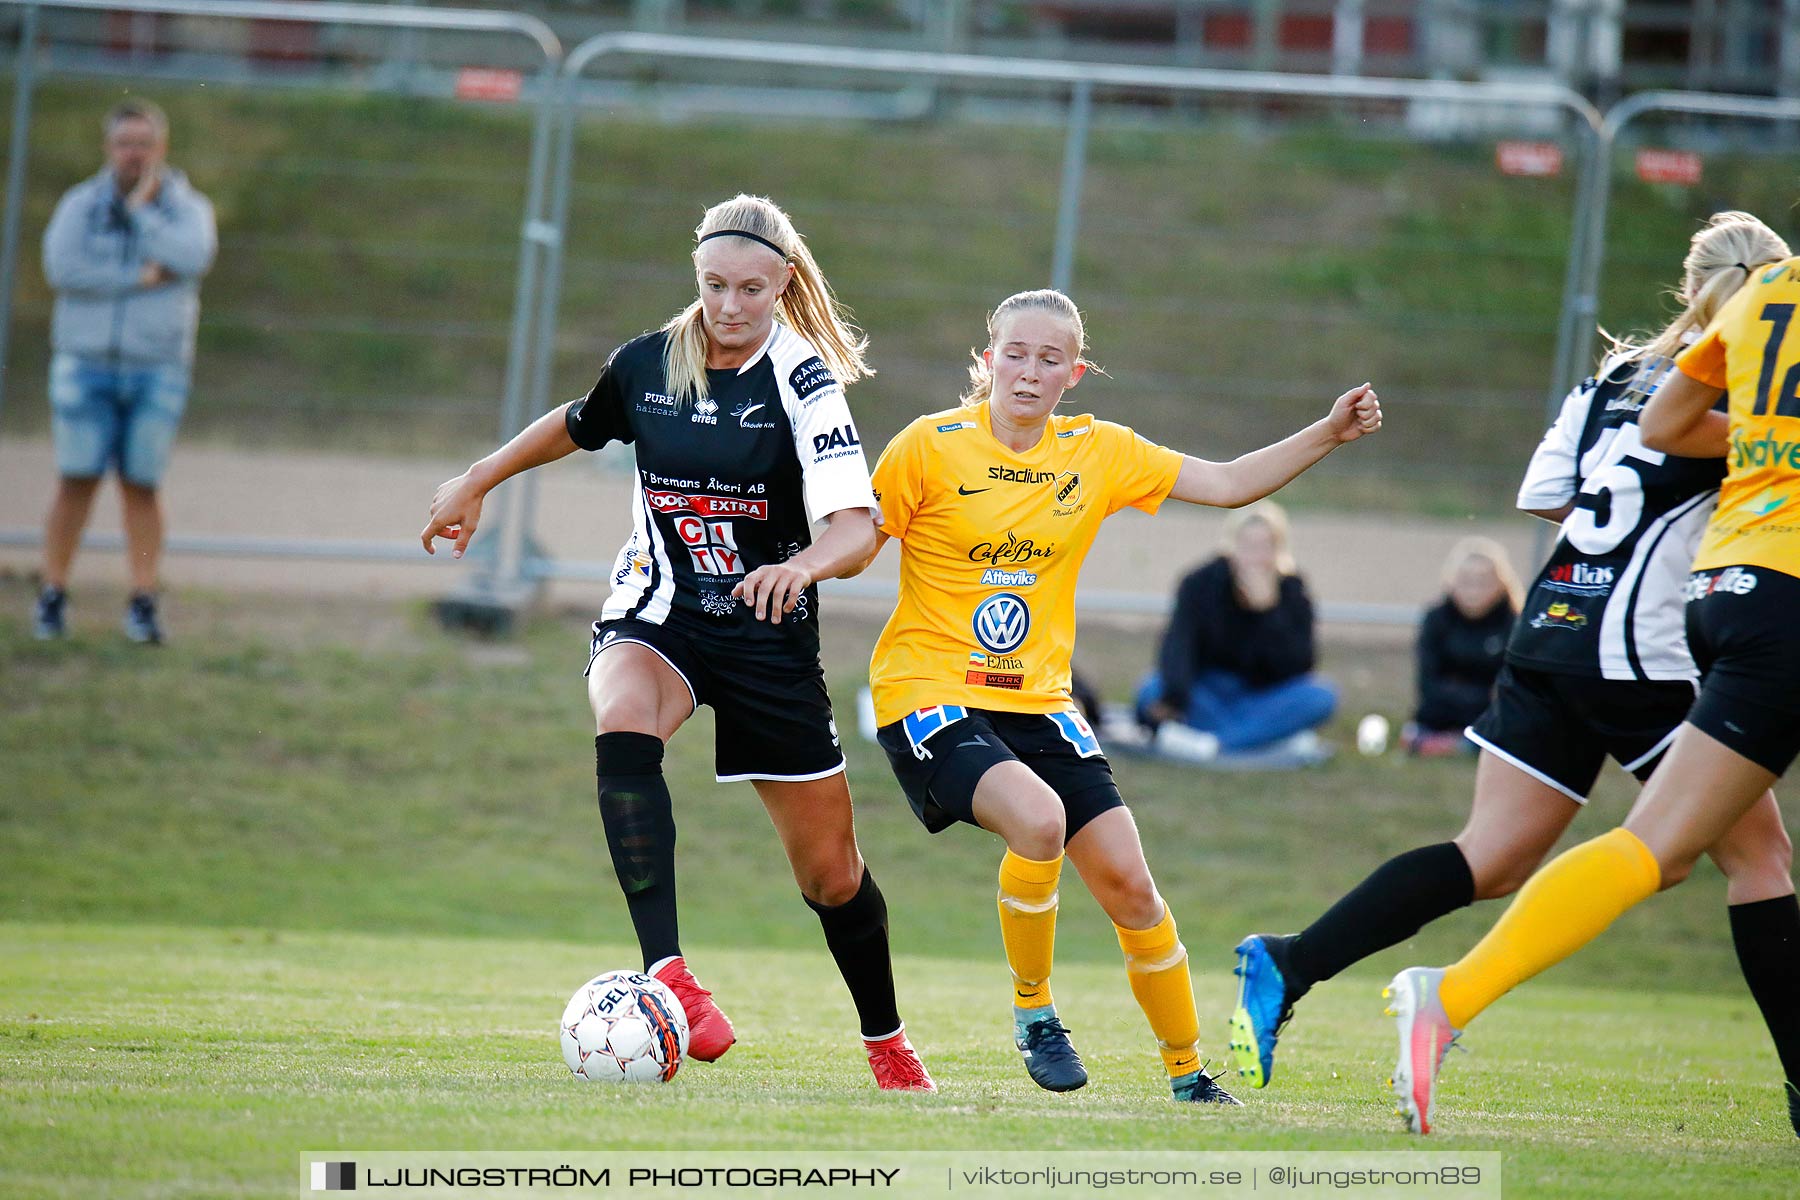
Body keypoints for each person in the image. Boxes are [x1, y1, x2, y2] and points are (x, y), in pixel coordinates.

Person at [421, 194, 933, 1091]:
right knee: (620, 716)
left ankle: (886, 1043)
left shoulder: (803, 379)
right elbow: (578, 422)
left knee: (833, 878)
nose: (730, 307)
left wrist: (802, 569)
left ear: (783, 285)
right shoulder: (649, 364)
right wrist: (478, 478)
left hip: (768, 639)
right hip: (660, 610)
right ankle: (670, 976)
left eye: (750, 290)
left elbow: (857, 527)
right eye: (713, 286)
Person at [865, 288, 1380, 1104]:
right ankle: (1034, 1013)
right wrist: (796, 563)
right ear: (988, 356)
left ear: (1075, 372)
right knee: (1038, 822)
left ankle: (1188, 1076)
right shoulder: (928, 446)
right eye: (1015, 353)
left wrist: (1329, 431)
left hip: (1040, 701)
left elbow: (1229, 481)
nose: (1028, 371)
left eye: (1049, 359)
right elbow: (859, 533)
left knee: (1134, 888)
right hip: (927, 693)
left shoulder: (1098, 451)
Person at [1352, 211, 1800, 1136]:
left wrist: (1762, 443)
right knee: (1667, 851)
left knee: (1726, 856)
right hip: (1706, 614)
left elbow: (1651, 430)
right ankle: (1449, 995)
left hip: (1714, 590)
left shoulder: (1764, 301)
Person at [33, 98, 217, 645]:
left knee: (142, 486)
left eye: (143, 143)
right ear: (107, 148)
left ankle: (141, 599)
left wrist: (141, 212)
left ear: (161, 148)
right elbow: (63, 268)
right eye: (123, 143)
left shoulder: (186, 207)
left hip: (156, 368)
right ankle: (52, 591)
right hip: (84, 364)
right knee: (76, 480)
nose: (133, 153)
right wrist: (138, 278)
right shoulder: (79, 206)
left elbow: (192, 255)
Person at [1132, 502, 1337, 762]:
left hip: (1262, 698)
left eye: (1265, 546)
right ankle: (1256, 740)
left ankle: (1214, 744)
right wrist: (1175, 697)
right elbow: (1178, 646)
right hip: (1206, 692)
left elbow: (1300, 665)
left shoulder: (1292, 591)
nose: (1256, 556)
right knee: (1151, 689)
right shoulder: (1201, 583)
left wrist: (1267, 613)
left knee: (1321, 697)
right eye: (1249, 546)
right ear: (1232, 545)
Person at [1402, 538, 1520, 756]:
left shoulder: (1513, 625)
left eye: (1483, 582)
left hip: (1487, 715)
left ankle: (1455, 745)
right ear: (1451, 581)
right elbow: (1427, 681)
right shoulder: (1436, 619)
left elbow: (1507, 688)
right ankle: (1445, 743)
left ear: (1501, 584)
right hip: (1440, 711)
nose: (1474, 591)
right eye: (1466, 581)